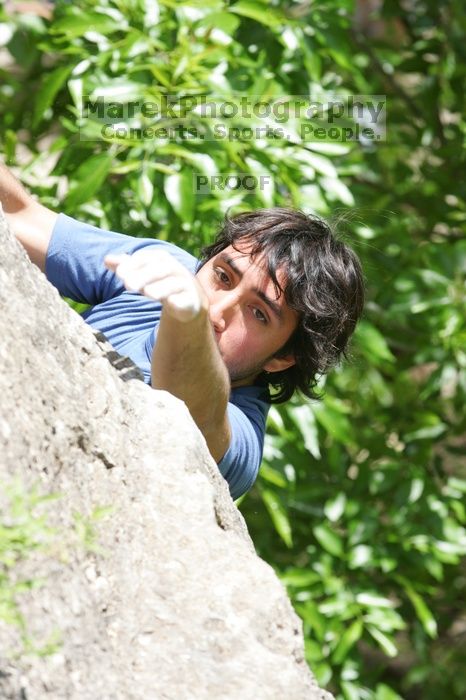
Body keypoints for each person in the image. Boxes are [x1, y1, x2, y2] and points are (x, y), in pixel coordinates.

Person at [1, 162, 365, 500]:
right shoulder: (167, 271)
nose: (217, 309)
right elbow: (19, 217)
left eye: (258, 313)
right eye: (223, 276)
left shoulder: (240, 437)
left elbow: (194, 416)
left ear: (283, 358)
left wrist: (189, 318)